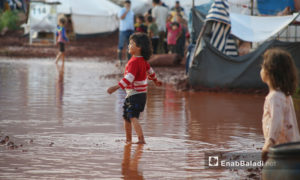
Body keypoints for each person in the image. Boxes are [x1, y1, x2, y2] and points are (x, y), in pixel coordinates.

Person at [107, 33, 162, 144]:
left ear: (139, 47)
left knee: (132, 117)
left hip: (134, 94)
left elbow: (129, 78)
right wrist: (156, 81)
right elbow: (151, 72)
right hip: (140, 94)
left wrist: (115, 87)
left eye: (131, 44)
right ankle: (128, 140)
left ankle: (141, 139)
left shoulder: (133, 62)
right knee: (127, 117)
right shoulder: (143, 61)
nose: (128, 46)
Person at [260, 48, 300, 162]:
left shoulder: (275, 97)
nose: (261, 69)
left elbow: (276, 121)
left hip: (282, 151)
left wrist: (269, 142)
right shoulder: (285, 95)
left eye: (263, 66)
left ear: (269, 72)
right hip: (293, 148)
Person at [118, 0, 135, 64]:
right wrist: (126, 11)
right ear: (125, 5)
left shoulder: (132, 12)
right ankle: (120, 60)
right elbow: (121, 18)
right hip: (123, 30)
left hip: (130, 30)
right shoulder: (122, 10)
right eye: (127, 5)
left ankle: (128, 60)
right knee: (121, 45)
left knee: (129, 45)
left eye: (129, 5)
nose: (128, 6)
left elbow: (132, 20)